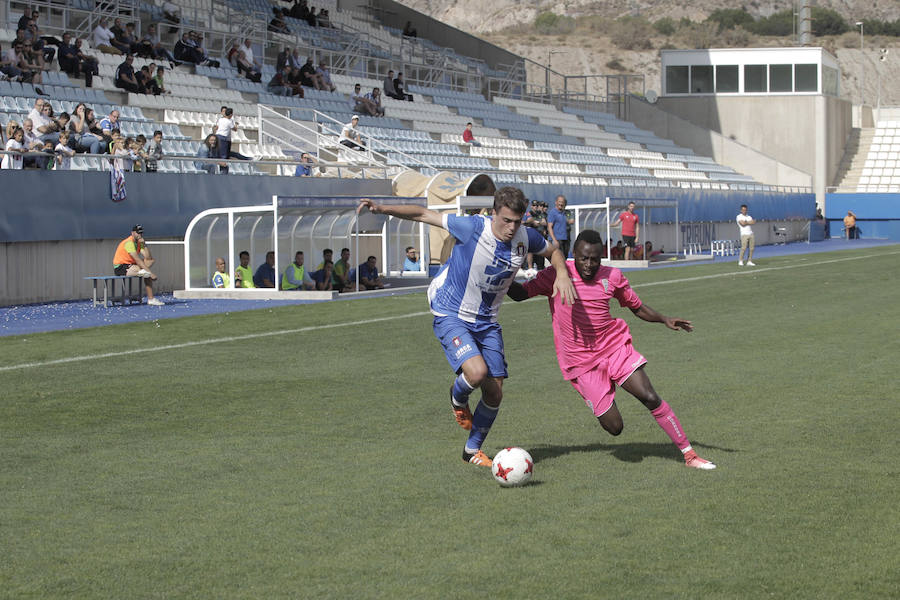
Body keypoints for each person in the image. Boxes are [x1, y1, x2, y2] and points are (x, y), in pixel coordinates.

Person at [358, 187, 576, 468]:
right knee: (477, 372)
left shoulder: (526, 237)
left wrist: (561, 274)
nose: (511, 228)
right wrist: (381, 208)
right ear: (494, 213)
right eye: (506, 220)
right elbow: (424, 213)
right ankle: (457, 396)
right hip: (451, 312)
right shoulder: (472, 227)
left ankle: (471, 450)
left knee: (495, 392)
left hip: (487, 321)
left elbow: (553, 251)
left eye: (517, 222)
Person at [507, 229, 716, 470]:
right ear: (574, 254)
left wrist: (664, 319)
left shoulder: (612, 276)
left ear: (601, 256)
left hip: (613, 348)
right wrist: (502, 274)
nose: (588, 264)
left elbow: (636, 307)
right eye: (584, 258)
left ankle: (689, 454)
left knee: (649, 395)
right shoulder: (557, 274)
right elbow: (521, 295)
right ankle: (598, 392)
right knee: (614, 428)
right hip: (581, 363)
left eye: (594, 259)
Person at [113, 224, 164, 305]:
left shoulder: (139, 242)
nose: (139, 235)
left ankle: (151, 299)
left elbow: (148, 258)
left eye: (141, 233)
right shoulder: (129, 243)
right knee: (146, 273)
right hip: (121, 267)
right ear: (132, 233)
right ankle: (151, 298)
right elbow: (138, 260)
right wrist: (150, 273)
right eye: (138, 233)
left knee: (150, 262)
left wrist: (144, 244)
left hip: (131, 265)